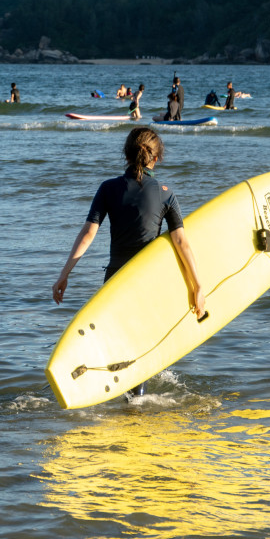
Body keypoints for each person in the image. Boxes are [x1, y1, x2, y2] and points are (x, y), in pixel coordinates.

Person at [52, 127, 206, 399]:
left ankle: (121, 400)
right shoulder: (165, 193)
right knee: (142, 345)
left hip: (115, 280)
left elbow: (88, 234)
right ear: (156, 158)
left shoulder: (108, 188)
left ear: (126, 154)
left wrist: (64, 275)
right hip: (148, 282)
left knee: (120, 343)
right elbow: (182, 243)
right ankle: (138, 405)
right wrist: (197, 286)